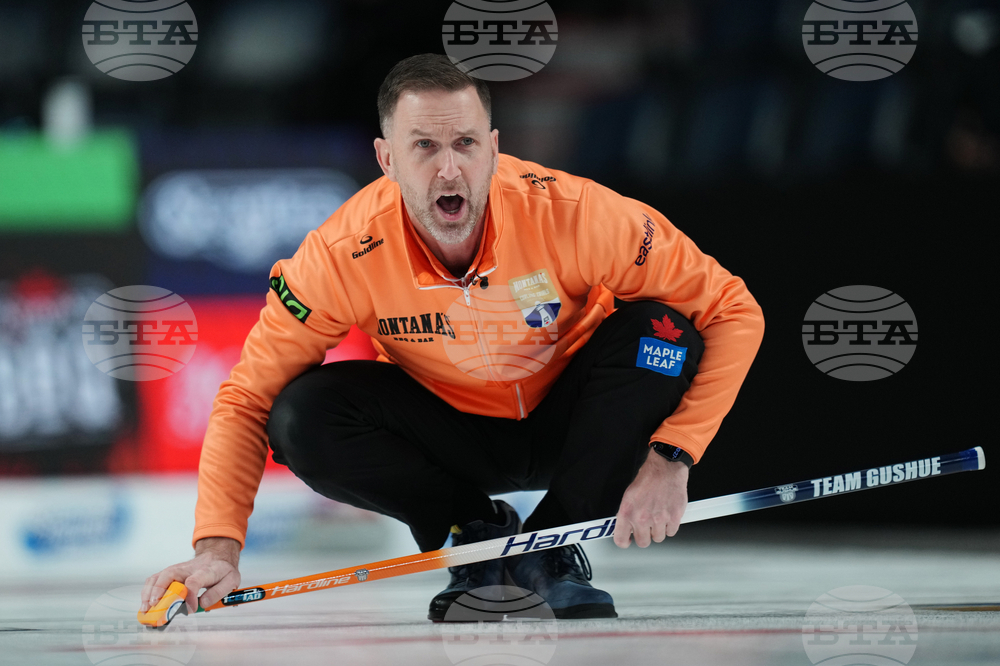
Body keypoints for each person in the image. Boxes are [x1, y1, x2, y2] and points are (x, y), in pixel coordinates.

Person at [141, 54, 765, 621]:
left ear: (494, 148)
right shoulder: (339, 254)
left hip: (578, 424)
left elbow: (734, 311)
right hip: (450, 435)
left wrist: (672, 457)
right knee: (300, 414)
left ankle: (554, 550)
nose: (449, 169)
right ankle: (474, 535)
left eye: (466, 144)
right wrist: (216, 549)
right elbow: (246, 398)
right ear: (387, 159)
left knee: (663, 331)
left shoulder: (578, 215)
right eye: (424, 147)